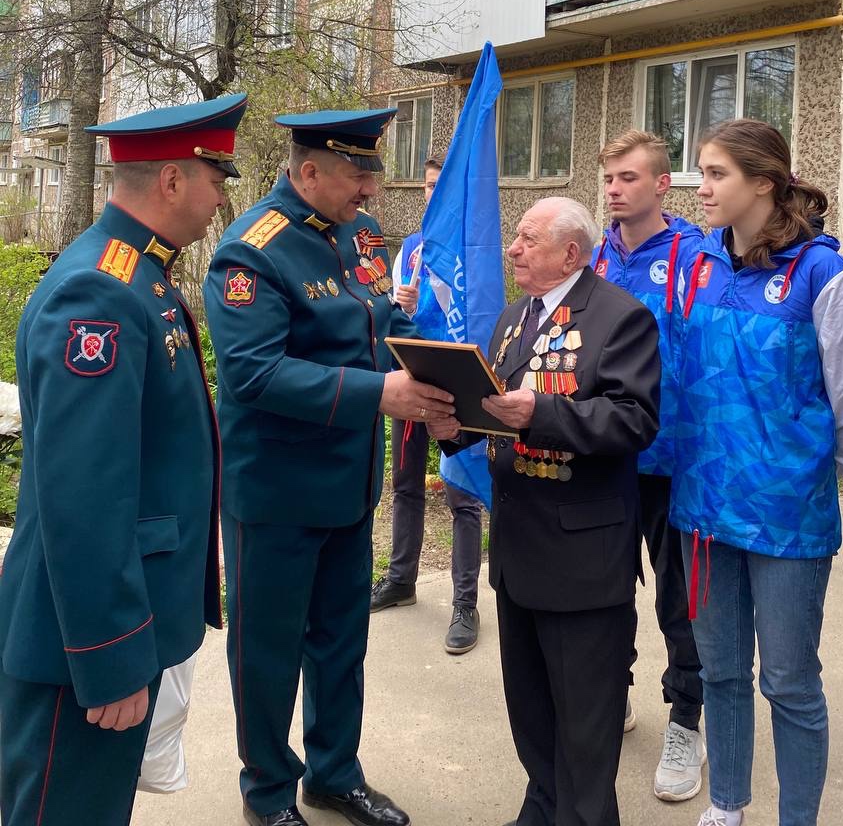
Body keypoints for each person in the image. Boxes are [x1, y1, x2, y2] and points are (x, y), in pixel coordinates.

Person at [0, 92, 248, 826]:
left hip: (108, 626)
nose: (218, 199)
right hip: (79, 648)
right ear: (173, 180)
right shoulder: (100, 294)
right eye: (215, 178)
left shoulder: (138, 274)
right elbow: (83, 495)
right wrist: (109, 658)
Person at [204, 108, 455, 826]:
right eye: (357, 174)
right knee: (269, 655)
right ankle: (268, 795)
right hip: (278, 494)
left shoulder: (361, 234)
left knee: (341, 643)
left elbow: (384, 325)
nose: (371, 189)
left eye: (373, 173)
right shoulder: (250, 251)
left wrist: (444, 375)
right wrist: (384, 393)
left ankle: (334, 774)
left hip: (349, 484)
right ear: (308, 171)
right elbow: (253, 374)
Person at [670, 118, 843, 826]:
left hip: (785, 517)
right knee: (722, 671)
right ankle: (727, 804)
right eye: (699, 173)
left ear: (763, 182)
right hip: (702, 509)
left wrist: (801, 469)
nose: (700, 189)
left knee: (790, 681)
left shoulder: (824, 273)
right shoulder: (698, 261)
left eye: (715, 174)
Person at [434, 196, 661, 826]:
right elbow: (493, 405)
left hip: (583, 558)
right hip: (520, 550)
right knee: (530, 709)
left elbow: (634, 420)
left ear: (571, 252)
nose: (513, 250)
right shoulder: (515, 317)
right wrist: (451, 425)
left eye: (528, 240)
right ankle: (541, 809)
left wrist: (544, 414)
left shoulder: (621, 318)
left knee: (586, 729)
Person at [593, 129, 706, 800]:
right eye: (609, 178)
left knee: (678, 602)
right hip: (605, 454)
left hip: (674, 461)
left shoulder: (697, 256)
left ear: (662, 184)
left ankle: (687, 719)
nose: (614, 189)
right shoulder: (595, 256)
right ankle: (615, 693)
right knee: (603, 592)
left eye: (628, 178)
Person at [371, 152, 484, 654]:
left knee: (461, 495)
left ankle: (465, 602)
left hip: (458, 379)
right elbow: (396, 307)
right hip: (414, 375)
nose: (432, 194)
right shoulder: (413, 246)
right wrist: (403, 305)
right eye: (427, 185)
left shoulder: (472, 246)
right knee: (406, 481)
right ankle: (401, 578)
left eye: (442, 186)